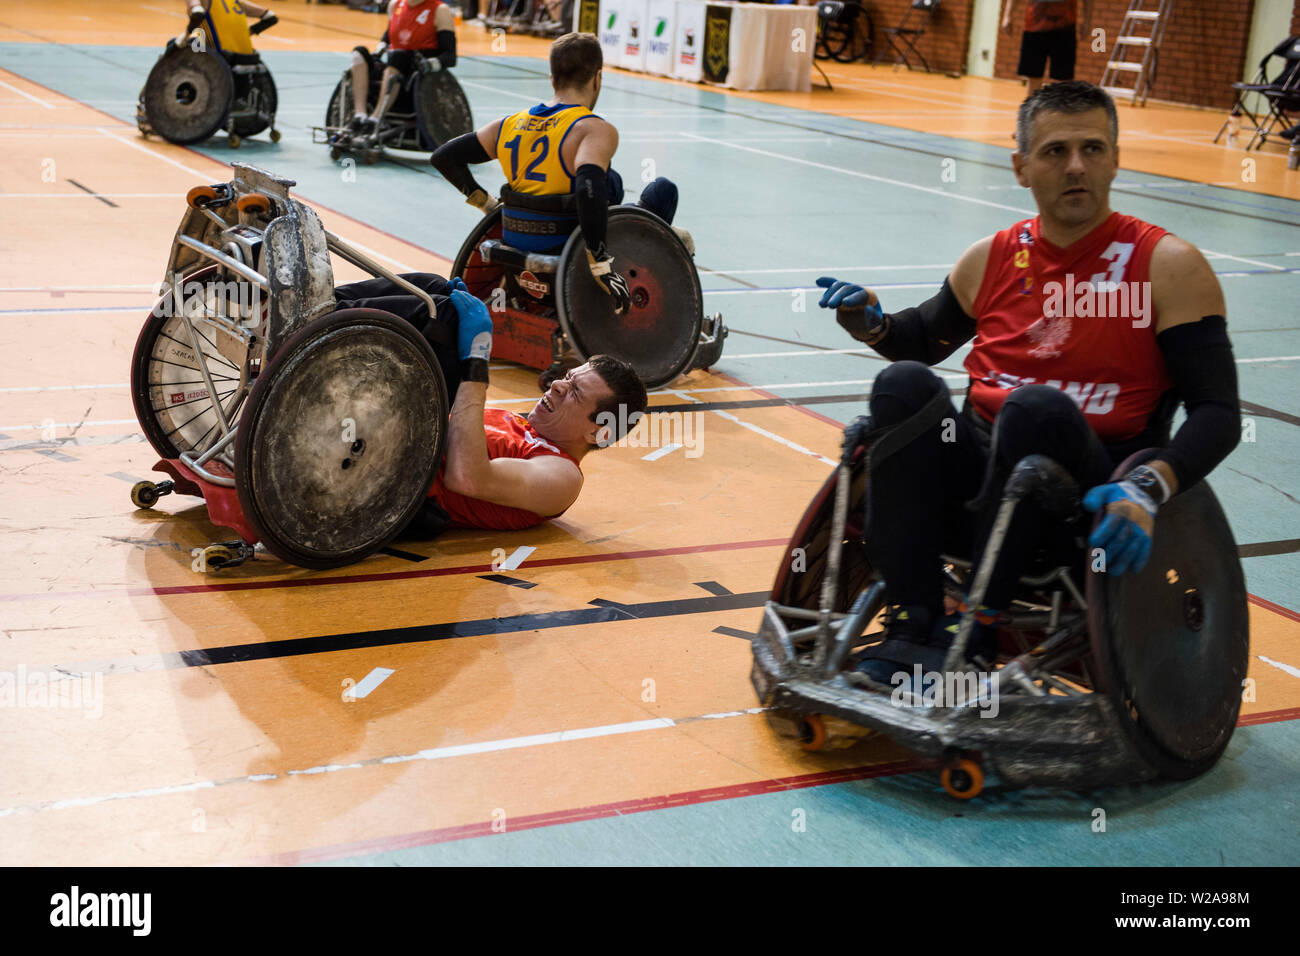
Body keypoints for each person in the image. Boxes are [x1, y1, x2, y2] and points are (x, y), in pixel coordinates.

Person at [814, 81, 1240, 682]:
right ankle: (914, 622)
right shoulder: (992, 256)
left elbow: (1218, 413)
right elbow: (923, 340)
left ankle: (977, 630)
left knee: (1034, 408)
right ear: (1020, 167)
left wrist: (1150, 485)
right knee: (903, 384)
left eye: (1093, 149)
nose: (1076, 167)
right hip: (975, 482)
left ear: (1116, 160)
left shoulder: (1169, 267)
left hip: (1081, 502)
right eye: (1055, 151)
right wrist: (873, 324)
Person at [330, 273, 649, 534]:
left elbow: (467, 477)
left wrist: (477, 358)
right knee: (436, 288)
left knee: (447, 316)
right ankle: (321, 310)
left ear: (599, 433)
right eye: (566, 376)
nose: (556, 385)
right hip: (395, 440)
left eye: (575, 392)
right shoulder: (519, 424)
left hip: (394, 483)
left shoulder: (562, 476)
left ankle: (322, 323)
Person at [429, 31, 690, 324]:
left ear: (552, 79)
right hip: (569, 246)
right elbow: (587, 188)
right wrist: (600, 261)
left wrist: (488, 206)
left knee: (611, 180)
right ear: (597, 79)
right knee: (661, 191)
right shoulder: (592, 129)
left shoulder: (508, 125)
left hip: (515, 238)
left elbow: (443, 157)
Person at [335, 0, 458, 146]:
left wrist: (429, 64)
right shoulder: (395, 5)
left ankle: (375, 119)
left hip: (417, 73)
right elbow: (388, 36)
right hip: (394, 65)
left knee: (398, 56)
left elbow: (450, 57)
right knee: (359, 53)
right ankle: (359, 116)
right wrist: (380, 48)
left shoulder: (440, 10)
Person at [1002, 0, 1093, 99]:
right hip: (1034, 27)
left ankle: (1062, 112)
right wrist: (1008, 16)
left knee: (1063, 79)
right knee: (1033, 77)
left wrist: (1087, 21)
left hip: (1065, 28)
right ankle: (1032, 112)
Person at [180, 0, 278, 57]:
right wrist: (247, 33)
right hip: (249, 57)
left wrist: (182, 38)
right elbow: (271, 17)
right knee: (198, 41)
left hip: (223, 58)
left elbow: (197, 13)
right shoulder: (236, 1)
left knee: (176, 44)